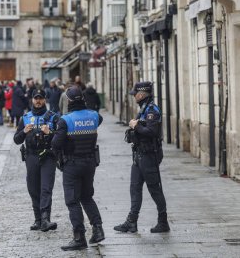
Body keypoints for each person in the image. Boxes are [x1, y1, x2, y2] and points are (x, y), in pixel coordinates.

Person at [51, 86, 104, 251]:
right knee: (87, 197)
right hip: (90, 163)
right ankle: (98, 229)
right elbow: (99, 119)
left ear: (69, 101)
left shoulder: (66, 120)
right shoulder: (94, 116)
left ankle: (79, 237)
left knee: (72, 200)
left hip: (72, 164)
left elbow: (56, 143)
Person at [114, 81, 169, 234]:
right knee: (135, 187)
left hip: (149, 155)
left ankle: (163, 222)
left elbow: (151, 132)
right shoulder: (143, 109)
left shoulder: (152, 110)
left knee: (154, 189)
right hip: (139, 154)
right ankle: (131, 222)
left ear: (142, 94)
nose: (134, 97)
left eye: (135, 94)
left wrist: (135, 126)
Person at [14, 89, 59, 232]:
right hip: (31, 156)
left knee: (46, 188)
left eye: (40, 98)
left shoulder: (53, 117)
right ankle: (38, 219)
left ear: (45, 100)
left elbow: (61, 139)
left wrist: (50, 133)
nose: (38, 101)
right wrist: (24, 131)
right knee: (33, 188)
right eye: (36, 98)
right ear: (32, 100)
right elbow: (16, 140)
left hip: (48, 156)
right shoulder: (25, 118)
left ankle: (46, 219)